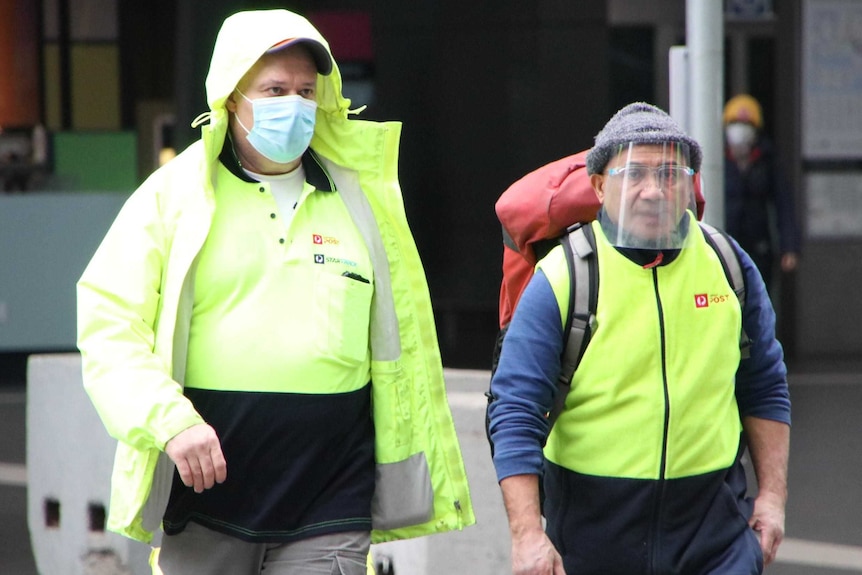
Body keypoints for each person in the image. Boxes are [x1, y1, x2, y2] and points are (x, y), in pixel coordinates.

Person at [77, 9, 474, 575]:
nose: (295, 103)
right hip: (207, 496)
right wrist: (171, 421)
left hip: (331, 496)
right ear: (232, 97)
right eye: (275, 89)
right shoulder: (172, 198)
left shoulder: (363, 198)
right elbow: (108, 326)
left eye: (307, 90)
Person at [487, 102, 790, 575]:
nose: (653, 190)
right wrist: (528, 535)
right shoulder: (567, 276)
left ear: (690, 184)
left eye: (670, 173)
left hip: (715, 542)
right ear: (600, 186)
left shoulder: (728, 266)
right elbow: (515, 409)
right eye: (633, 173)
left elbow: (765, 386)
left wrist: (772, 498)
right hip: (591, 541)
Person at [723, 94, 801, 294]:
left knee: (759, 295)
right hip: (725, 238)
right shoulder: (717, 158)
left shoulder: (767, 158)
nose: (740, 130)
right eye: (735, 123)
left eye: (746, 124)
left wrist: (789, 246)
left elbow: (783, 203)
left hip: (759, 243)